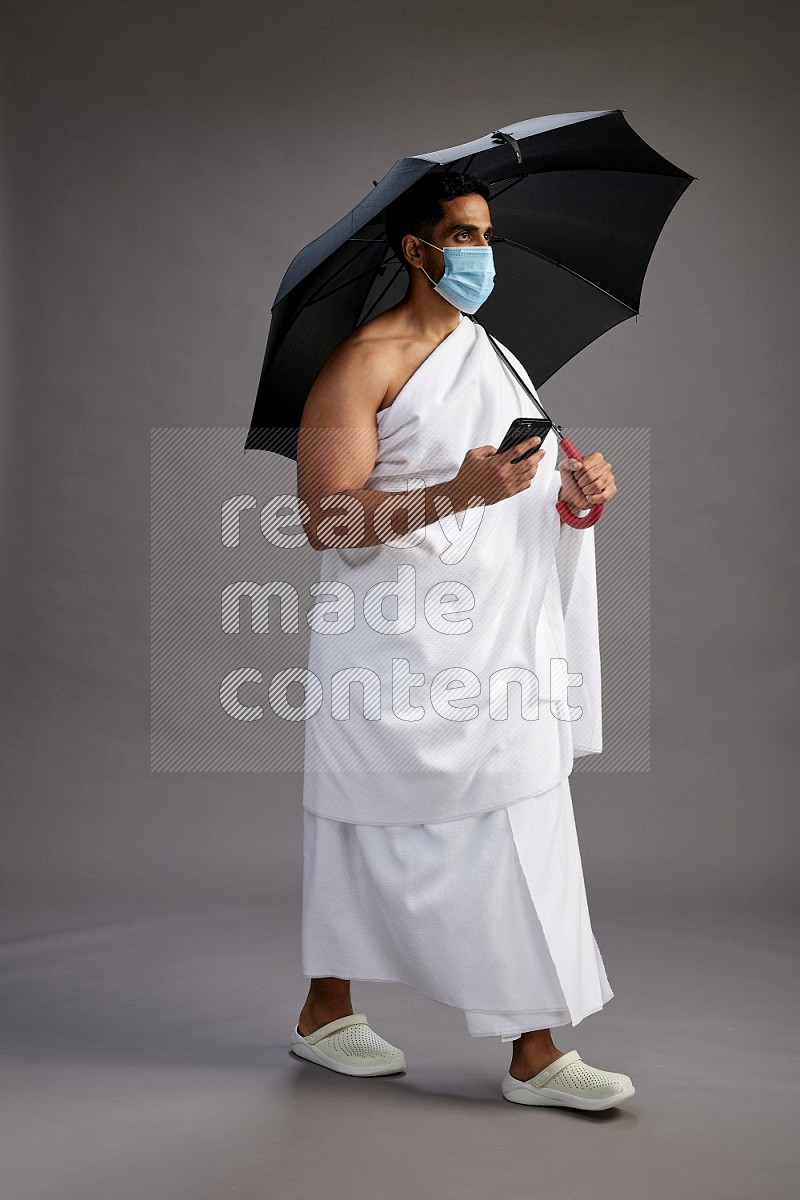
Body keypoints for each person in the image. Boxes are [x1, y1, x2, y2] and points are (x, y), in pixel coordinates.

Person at [288, 171, 634, 1111]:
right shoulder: (361, 364)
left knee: (521, 824)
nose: (485, 255)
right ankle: (326, 1012)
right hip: (400, 647)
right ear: (416, 250)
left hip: (501, 643)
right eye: (467, 236)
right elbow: (325, 520)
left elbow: (529, 482)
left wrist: (577, 494)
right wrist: (456, 495)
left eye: (489, 236)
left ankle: (535, 1049)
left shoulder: (496, 353)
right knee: (364, 826)